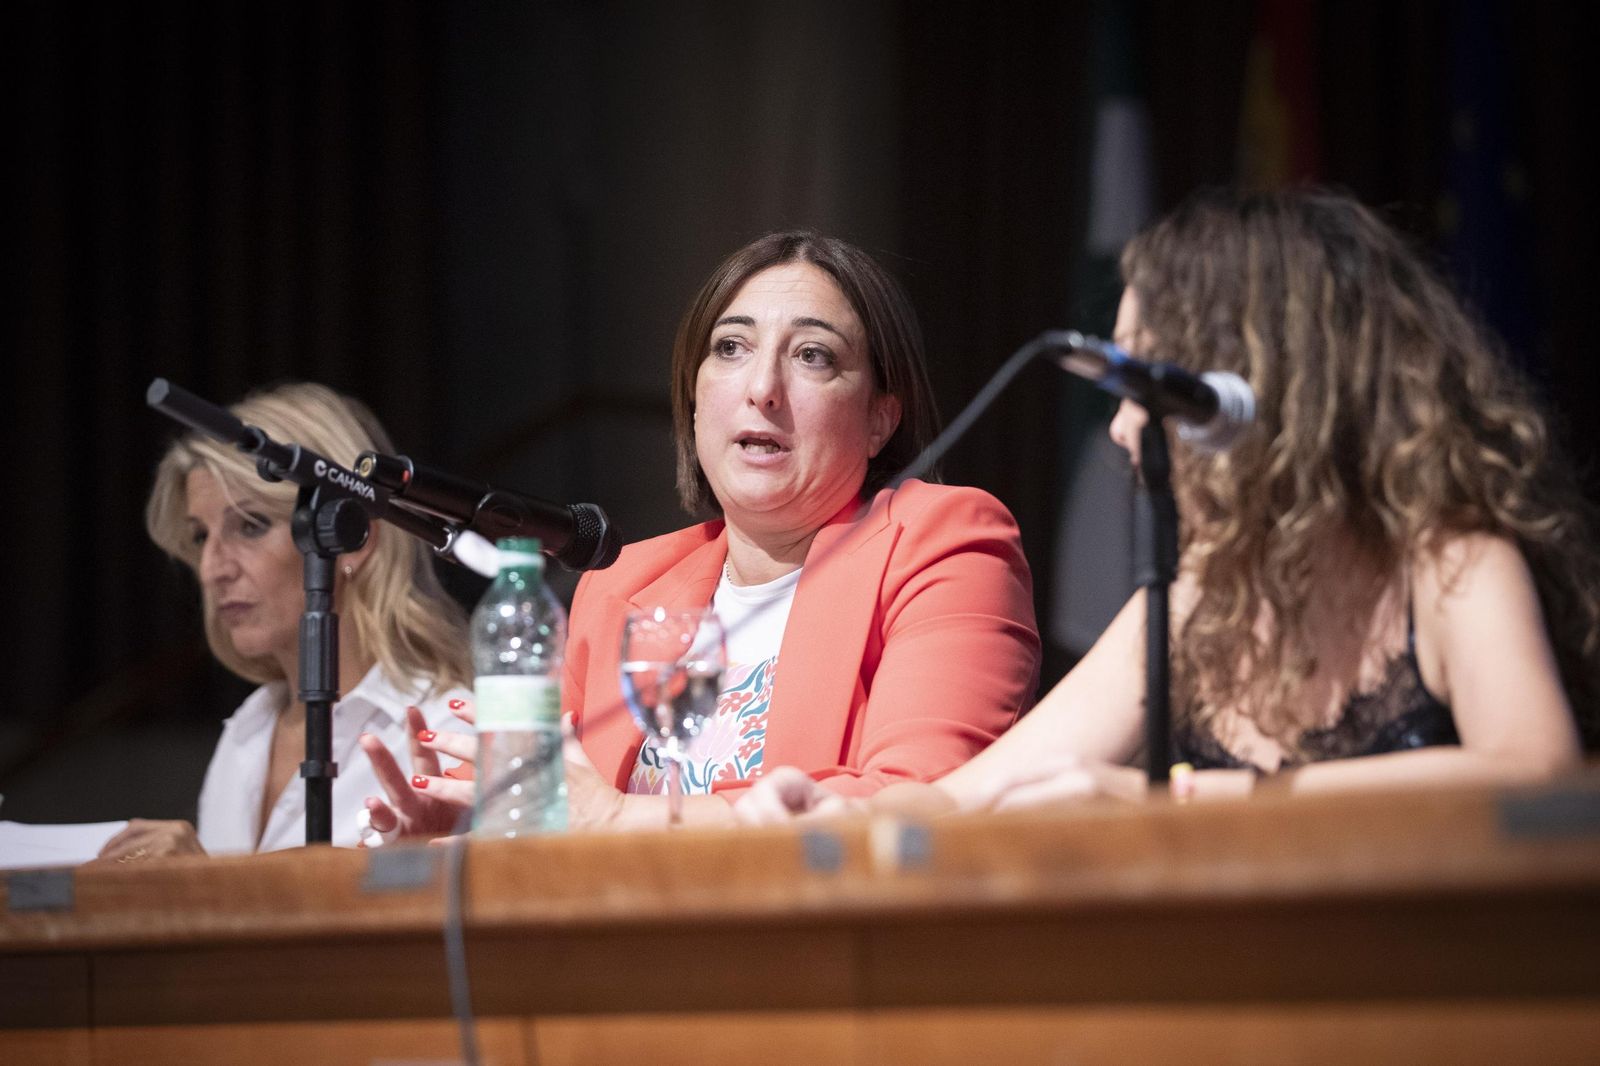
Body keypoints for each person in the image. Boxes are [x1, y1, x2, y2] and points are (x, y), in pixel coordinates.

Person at [740, 187, 1600, 823]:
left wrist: (1183, 796)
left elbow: (1537, 770)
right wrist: (834, 814)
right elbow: (975, 797)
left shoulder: (1453, 564)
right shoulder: (1196, 601)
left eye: (1147, 381)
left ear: (1255, 382)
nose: (1119, 430)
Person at [361, 231, 1041, 835]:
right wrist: (476, 832)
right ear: (693, 397)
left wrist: (620, 818)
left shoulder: (942, 543)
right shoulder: (621, 583)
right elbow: (560, 814)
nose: (762, 388)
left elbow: (919, 802)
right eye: (731, 348)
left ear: (880, 420)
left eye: (812, 355)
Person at [97, 382, 474, 859]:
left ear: (352, 538)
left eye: (250, 526)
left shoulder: (450, 728)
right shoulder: (246, 732)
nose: (213, 568)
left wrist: (207, 887)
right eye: (200, 537)